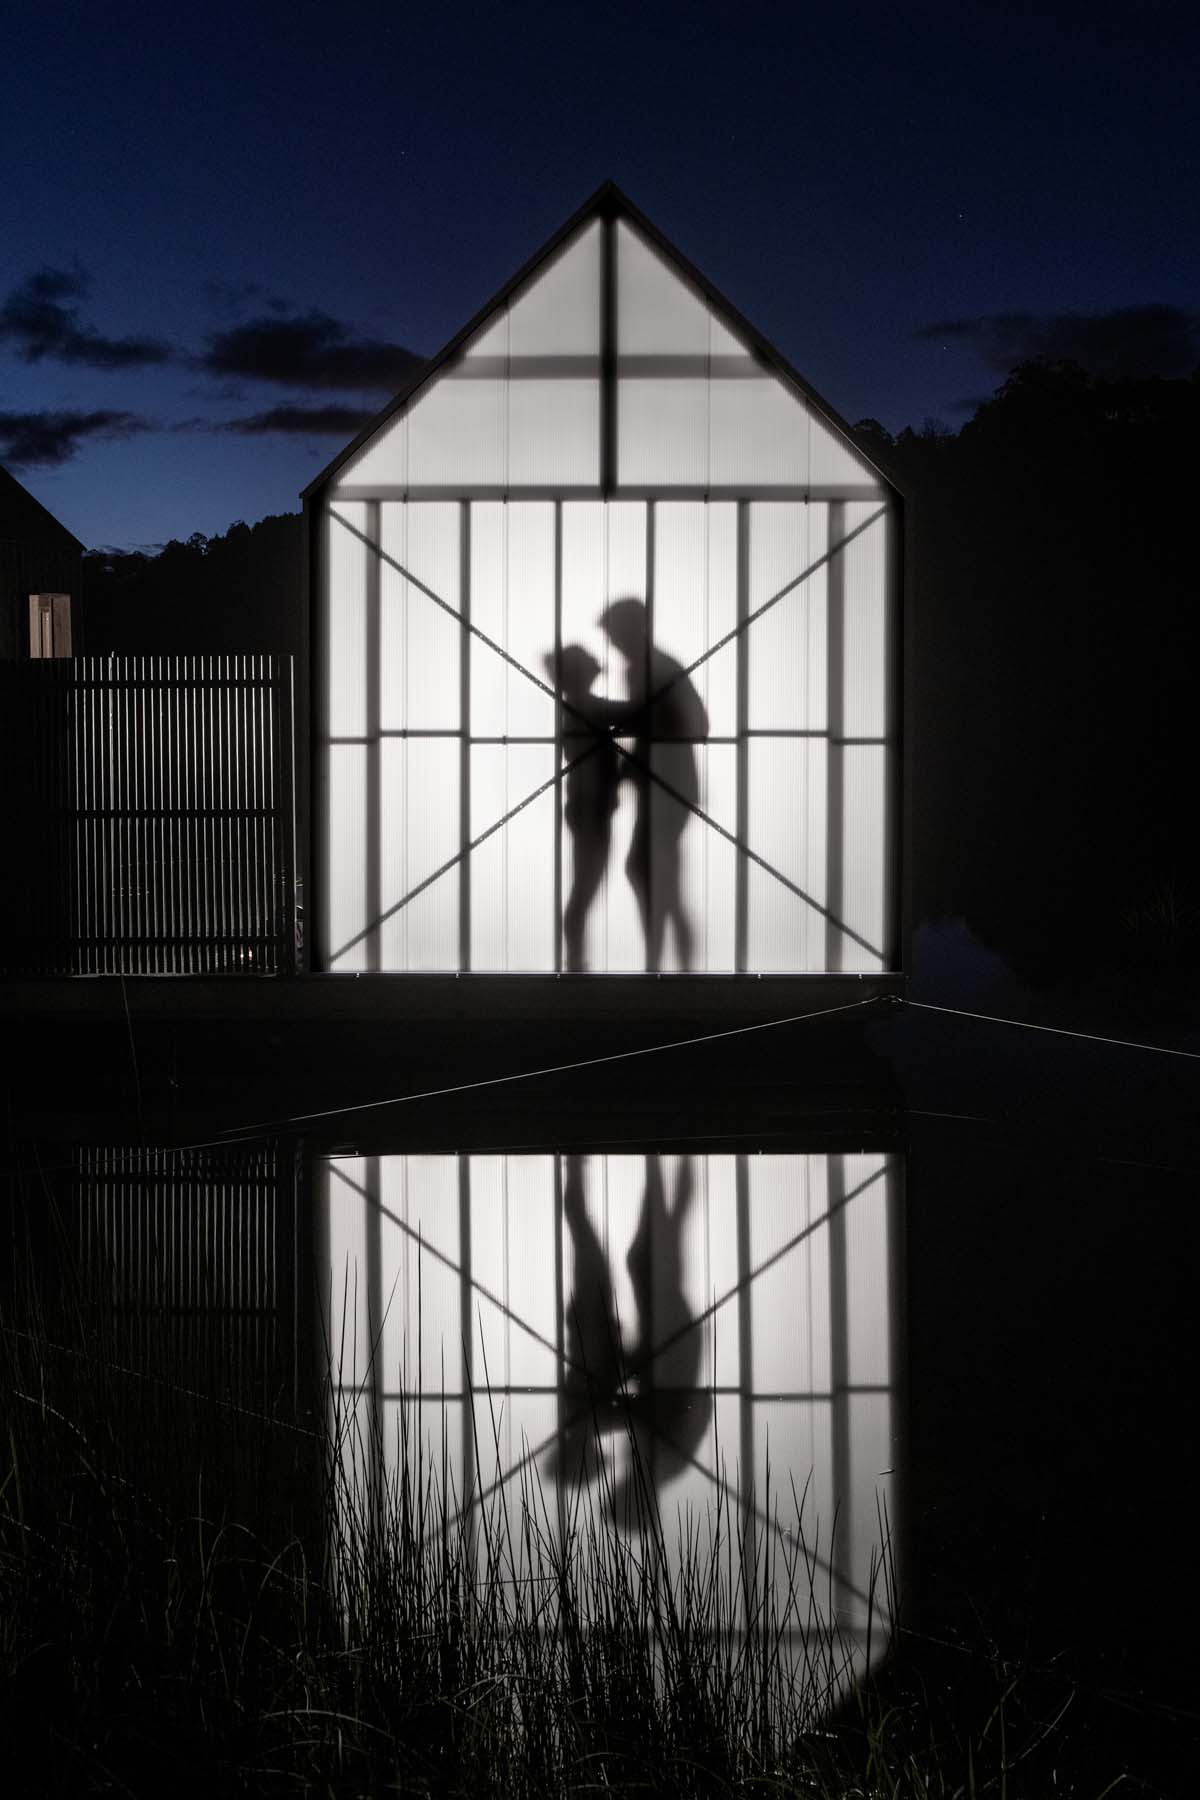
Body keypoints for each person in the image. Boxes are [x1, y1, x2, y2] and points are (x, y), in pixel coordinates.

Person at [599, 598, 708, 971]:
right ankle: (673, 963)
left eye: (615, 633)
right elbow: (690, 724)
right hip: (672, 780)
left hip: (667, 781)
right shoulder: (659, 664)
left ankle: (660, 963)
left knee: (647, 870)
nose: (613, 642)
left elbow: (661, 728)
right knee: (658, 875)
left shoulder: (647, 668)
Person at [543, 645, 621, 972]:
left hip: (586, 806)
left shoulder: (575, 707)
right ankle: (575, 962)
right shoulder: (585, 707)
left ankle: (575, 960)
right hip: (591, 808)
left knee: (583, 887)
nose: (596, 662)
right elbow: (634, 712)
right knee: (585, 889)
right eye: (588, 661)